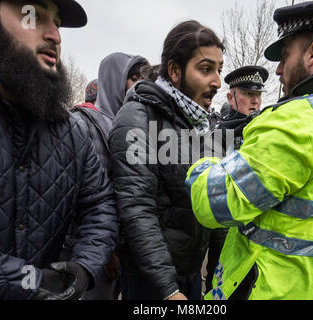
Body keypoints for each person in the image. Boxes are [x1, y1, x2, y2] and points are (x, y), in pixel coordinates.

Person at [186, 0, 313, 300]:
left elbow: (212, 204)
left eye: (284, 56)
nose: (280, 70)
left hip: (268, 289)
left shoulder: (303, 120)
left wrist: (206, 158)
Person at [0, 0, 117, 300]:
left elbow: (99, 205)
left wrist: (83, 268)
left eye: (55, 21)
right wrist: (30, 281)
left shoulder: (71, 130)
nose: (55, 35)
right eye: (34, 15)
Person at [109, 20, 224, 300]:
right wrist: (168, 289)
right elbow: (136, 208)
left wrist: (217, 275)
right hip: (151, 285)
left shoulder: (202, 125)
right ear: (174, 70)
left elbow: (217, 200)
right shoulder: (138, 117)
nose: (217, 82)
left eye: (219, 70)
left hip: (192, 276)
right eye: (206, 69)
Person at [68, 53, 150, 300]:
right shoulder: (86, 124)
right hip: (93, 252)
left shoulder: (131, 125)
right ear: (114, 80)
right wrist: (105, 252)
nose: (138, 86)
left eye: (141, 79)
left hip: (124, 249)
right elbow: (90, 199)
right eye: (132, 78)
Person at [204, 66, 269, 294]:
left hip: (256, 230)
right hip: (221, 223)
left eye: (258, 95)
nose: (255, 101)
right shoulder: (216, 136)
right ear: (231, 98)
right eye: (248, 94)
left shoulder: (265, 131)